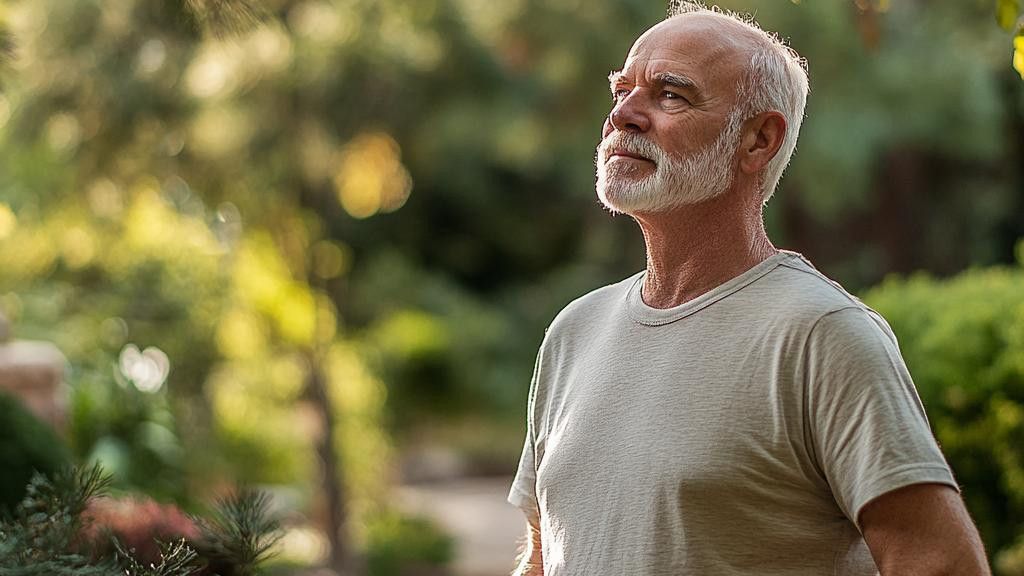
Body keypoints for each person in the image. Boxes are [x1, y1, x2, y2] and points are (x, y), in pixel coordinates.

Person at [507, 3, 992, 575]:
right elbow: (544, 559)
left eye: (670, 95)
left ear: (758, 140)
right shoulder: (573, 331)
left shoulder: (821, 335)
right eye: (621, 90)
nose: (624, 116)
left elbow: (941, 564)